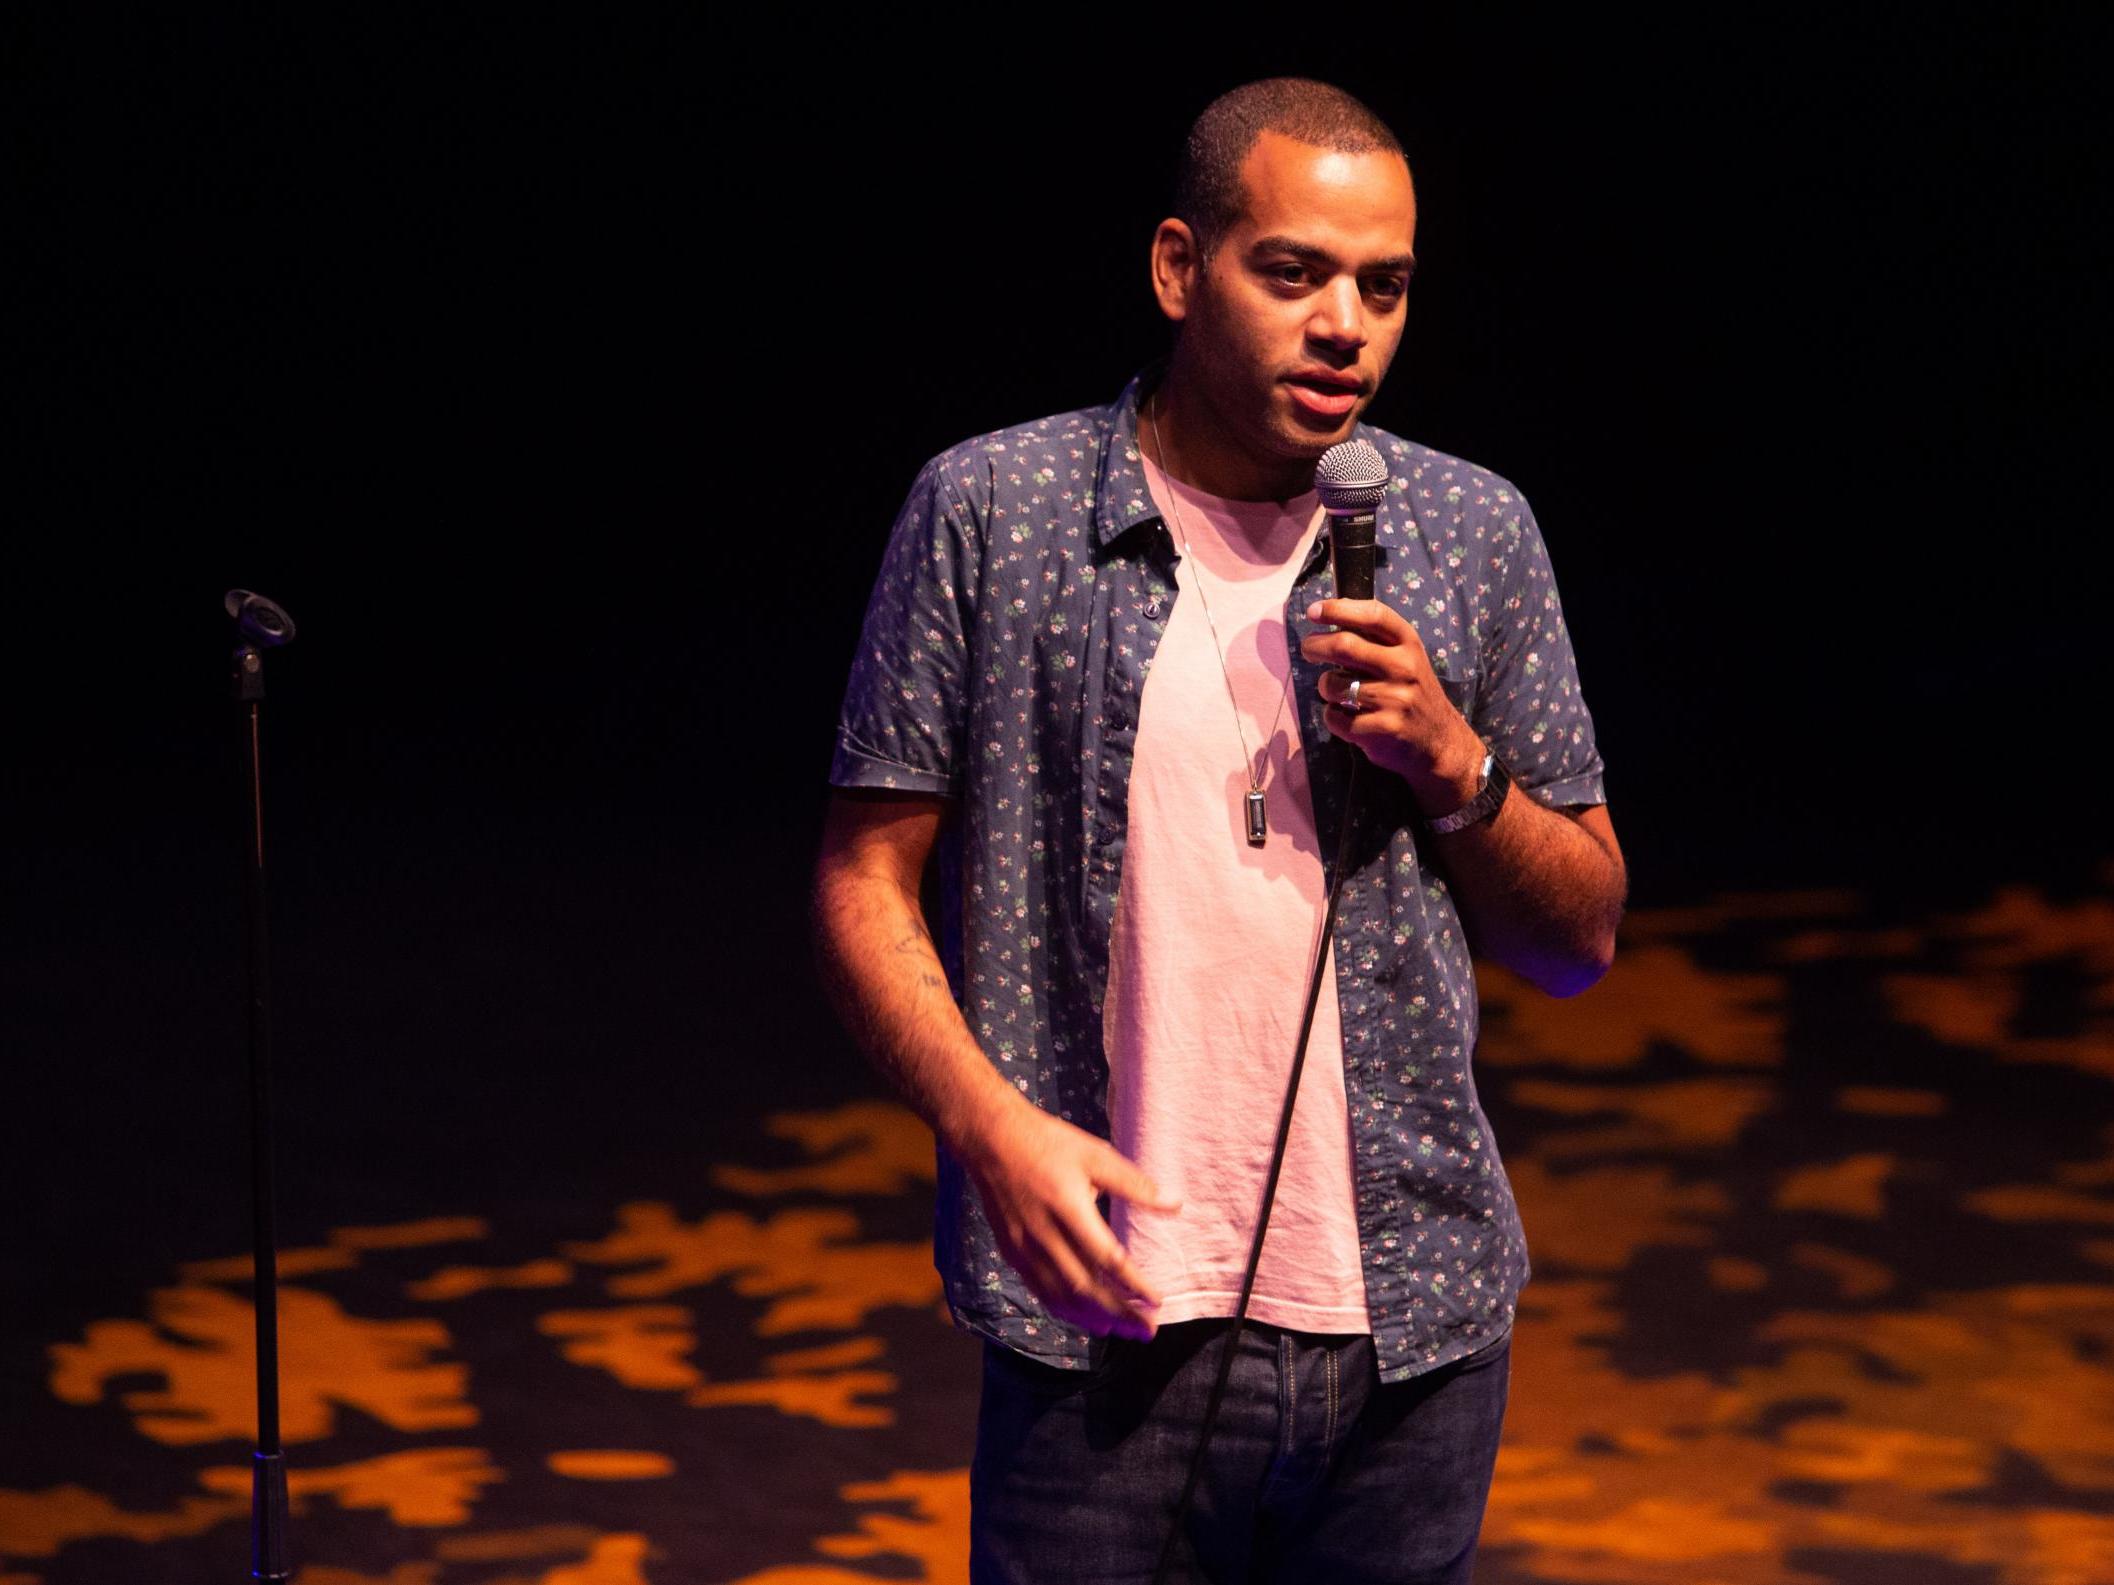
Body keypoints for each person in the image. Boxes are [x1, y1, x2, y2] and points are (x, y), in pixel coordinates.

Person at [811, 77, 1625, 1585]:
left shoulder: (1469, 532)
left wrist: (1457, 764)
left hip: (1412, 1330)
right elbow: (863, 878)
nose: (1346, 327)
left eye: (1382, 287)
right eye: (1293, 271)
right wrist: (990, 1130)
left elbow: (1577, 939)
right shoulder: (993, 511)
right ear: (1180, 268)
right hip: (1105, 1325)